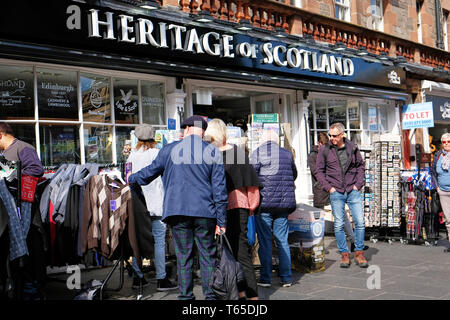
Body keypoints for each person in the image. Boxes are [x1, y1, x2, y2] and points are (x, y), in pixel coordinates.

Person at [128, 115, 228, 300]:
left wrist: (131, 178)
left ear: (187, 129)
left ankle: (186, 298)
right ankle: (210, 298)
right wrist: (221, 220)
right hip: (205, 212)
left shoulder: (169, 150)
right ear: (203, 131)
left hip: (177, 211)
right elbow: (220, 189)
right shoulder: (213, 152)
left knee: (184, 256)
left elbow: (149, 173)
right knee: (208, 256)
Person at [204, 118, 260, 300]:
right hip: (241, 206)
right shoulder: (237, 153)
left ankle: (240, 292)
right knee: (241, 251)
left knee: (225, 253)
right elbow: (251, 185)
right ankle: (249, 295)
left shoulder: (208, 155)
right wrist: (251, 206)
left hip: (218, 209)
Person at [126, 124, 177, 291]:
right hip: (157, 203)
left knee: (137, 240)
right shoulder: (158, 153)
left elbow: (127, 179)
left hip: (138, 205)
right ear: (153, 138)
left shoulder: (131, 156)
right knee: (159, 241)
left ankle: (138, 277)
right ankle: (161, 278)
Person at [315, 122, 368, 268]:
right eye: (330, 135)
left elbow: (360, 167)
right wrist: (329, 188)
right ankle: (344, 254)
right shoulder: (325, 150)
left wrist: (358, 185)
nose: (331, 138)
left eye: (334, 136)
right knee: (338, 224)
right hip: (336, 191)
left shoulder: (353, 148)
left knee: (360, 222)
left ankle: (359, 252)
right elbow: (318, 171)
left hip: (353, 190)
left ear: (342, 134)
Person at [250, 129, 297, 288]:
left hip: (264, 204)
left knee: (265, 242)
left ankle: (265, 278)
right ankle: (286, 278)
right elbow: (294, 174)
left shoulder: (257, 153)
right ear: (276, 140)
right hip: (283, 204)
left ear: (262, 140)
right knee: (282, 240)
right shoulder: (287, 154)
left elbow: (251, 176)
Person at [431, 132, 450, 252]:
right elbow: (433, 172)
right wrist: (437, 187)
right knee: (448, 220)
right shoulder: (438, 155)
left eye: (449, 141)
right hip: (443, 191)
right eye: (444, 142)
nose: (447, 144)